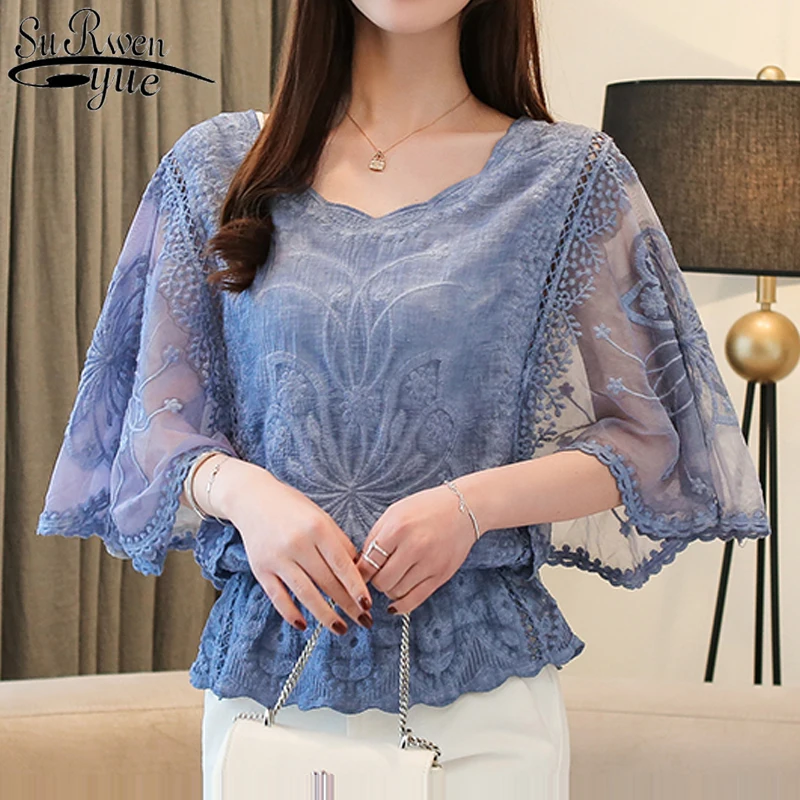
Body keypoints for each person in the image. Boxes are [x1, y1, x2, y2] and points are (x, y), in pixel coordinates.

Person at [36, 0, 771, 798]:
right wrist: (246, 495)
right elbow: (149, 426)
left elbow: (652, 438)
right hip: (269, 693)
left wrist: (472, 507)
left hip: (481, 705)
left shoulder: (567, 178)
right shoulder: (213, 166)